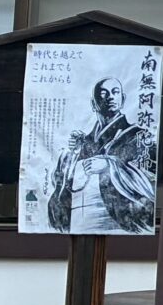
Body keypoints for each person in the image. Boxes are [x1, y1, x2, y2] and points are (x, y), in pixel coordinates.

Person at [45, 75, 157, 233]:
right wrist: (74, 154)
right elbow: (64, 182)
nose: (110, 97)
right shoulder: (87, 142)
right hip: (82, 221)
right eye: (104, 93)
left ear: (123, 99)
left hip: (118, 224)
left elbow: (150, 179)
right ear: (93, 103)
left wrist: (110, 165)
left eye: (115, 92)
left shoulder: (138, 136)